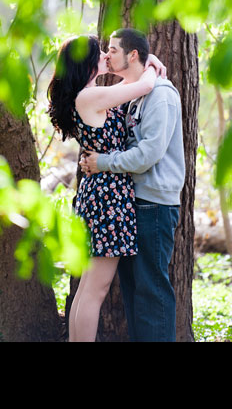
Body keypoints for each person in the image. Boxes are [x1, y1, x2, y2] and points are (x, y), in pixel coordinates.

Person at [47, 34, 163, 341]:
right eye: (99, 52)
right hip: (107, 196)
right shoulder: (87, 98)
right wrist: (151, 64)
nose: (105, 55)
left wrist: (149, 62)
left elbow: (128, 88)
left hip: (100, 193)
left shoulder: (89, 95)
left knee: (87, 287)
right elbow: (144, 86)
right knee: (94, 290)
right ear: (86, 63)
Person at [79, 28, 186, 342]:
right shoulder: (133, 90)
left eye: (113, 49)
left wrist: (103, 163)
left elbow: (147, 155)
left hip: (153, 204)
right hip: (128, 204)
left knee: (151, 291)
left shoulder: (160, 95)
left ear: (133, 54)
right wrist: (151, 63)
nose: (107, 55)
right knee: (133, 293)